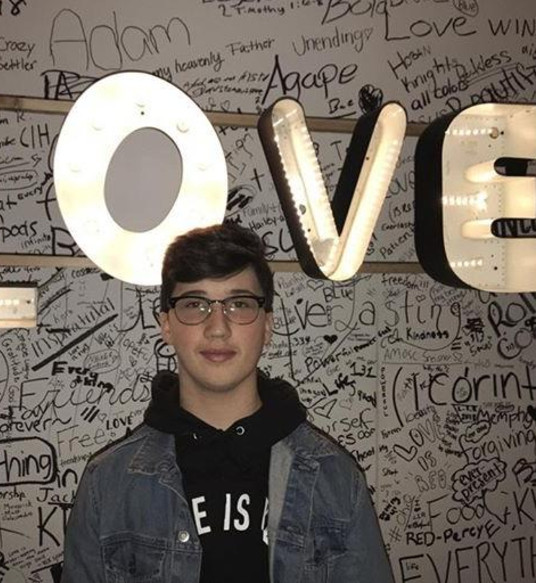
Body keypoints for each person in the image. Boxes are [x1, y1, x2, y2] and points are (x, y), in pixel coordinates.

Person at [61, 222, 394, 583]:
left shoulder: (335, 480)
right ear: (167, 325)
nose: (217, 328)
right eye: (195, 304)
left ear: (267, 326)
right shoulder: (108, 484)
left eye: (239, 304)